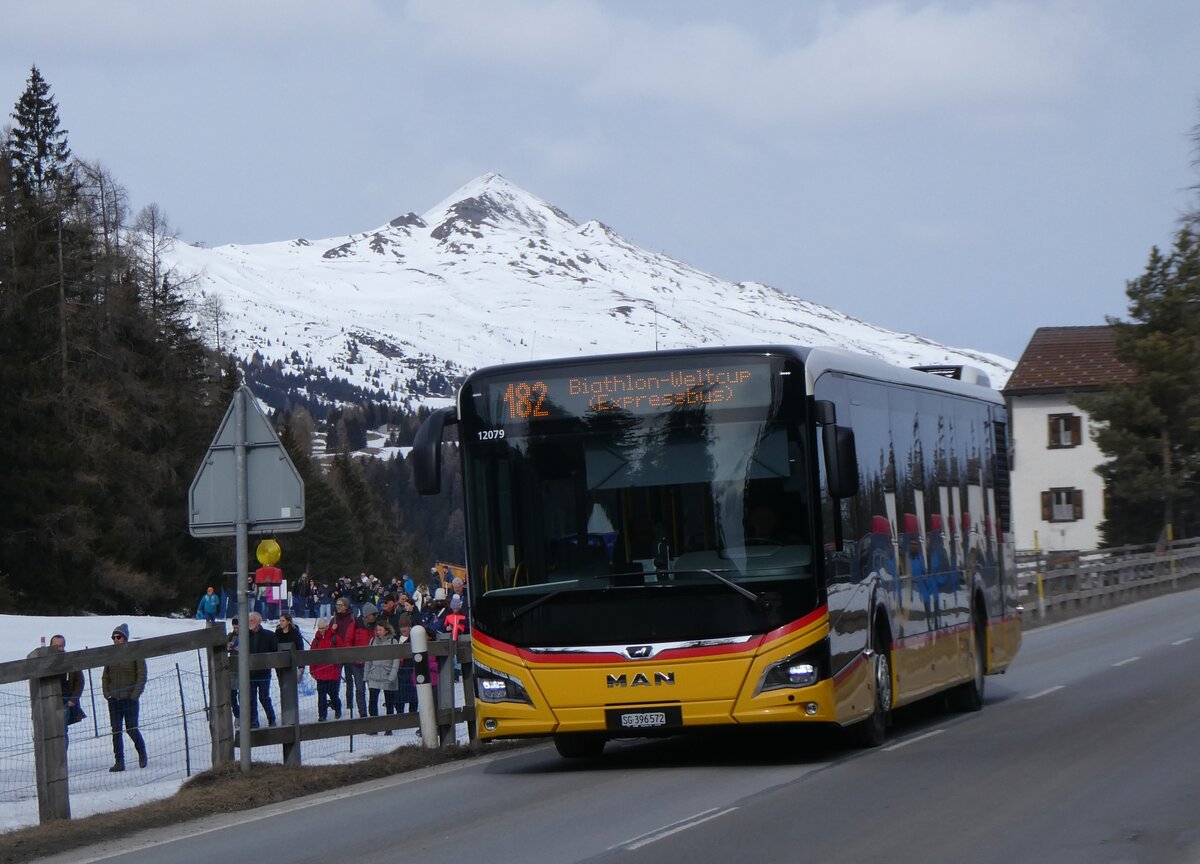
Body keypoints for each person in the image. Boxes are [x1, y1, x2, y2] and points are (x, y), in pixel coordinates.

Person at [102, 623, 147, 772]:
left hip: (129, 698)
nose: (116, 640)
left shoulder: (135, 653)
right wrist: (107, 693)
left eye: (118, 637)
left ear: (125, 638)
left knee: (131, 728)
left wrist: (134, 695)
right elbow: (105, 676)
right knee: (116, 731)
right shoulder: (110, 655)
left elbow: (141, 675)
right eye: (114, 637)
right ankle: (119, 762)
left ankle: (142, 753)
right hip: (114, 699)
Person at [332, 597, 368, 718]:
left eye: (340, 605)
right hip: (337, 654)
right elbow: (329, 636)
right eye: (337, 605)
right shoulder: (334, 619)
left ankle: (350, 702)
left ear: (346, 606)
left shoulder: (352, 619)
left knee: (350, 679)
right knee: (336, 679)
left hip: (349, 653)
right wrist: (332, 631)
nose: (338, 607)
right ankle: (336, 703)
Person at [364, 620, 400, 732]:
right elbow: (368, 659)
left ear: (386, 630)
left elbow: (396, 660)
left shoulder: (393, 642)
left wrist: (392, 676)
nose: (378, 632)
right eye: (377, 630)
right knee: (372, 701)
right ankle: (373, 726)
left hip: (387, 674)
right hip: (374, 675)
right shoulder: (372, 641)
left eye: (380, 630)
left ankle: (388, 727)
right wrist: (366, 674)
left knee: (389, 702)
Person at [49, 634, 83, 748]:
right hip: (47, 702)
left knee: (62, 732)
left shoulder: (70, 661)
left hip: (65, 701)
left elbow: (80, 681)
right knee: (48, 732)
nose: (60, 649)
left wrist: (73, 699)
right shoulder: (44, 662)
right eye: (56, 646)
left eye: (62, 646)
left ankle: (61, 762)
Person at [245, 611, 278, 728]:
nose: (249, 623)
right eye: (248, 620)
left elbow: (275, 652)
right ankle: (254, 722)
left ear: (259, 621)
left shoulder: (268, 635)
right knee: (250, 699)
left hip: (264, 672)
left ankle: (271, 719)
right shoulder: (244, 636)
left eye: (252, 620)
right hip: (249, 673)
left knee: (264, 697)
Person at [309, 618, 343, 721]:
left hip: (333, 673)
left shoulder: (335, 638)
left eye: (323, 628)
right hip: (320, 673)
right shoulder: (315, 641)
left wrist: (337, 666)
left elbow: (341, 654)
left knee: (333, 695)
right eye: (319, 628)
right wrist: (312, 670)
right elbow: (312, 656)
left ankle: (337, 708)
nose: (321, 630)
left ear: (327, 627)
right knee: (321, 696)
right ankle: (322, 715)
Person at [227, 618, 241, 727]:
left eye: (238, 627)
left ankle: (246, 716)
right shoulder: (230, 636)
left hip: (243, 669)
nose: (236, 629)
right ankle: (238, 715)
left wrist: (238, 647)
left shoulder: (248, 635)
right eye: (234, 627)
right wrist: (227, 647)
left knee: (244, 696)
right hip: (232, 670)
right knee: (232, 696)